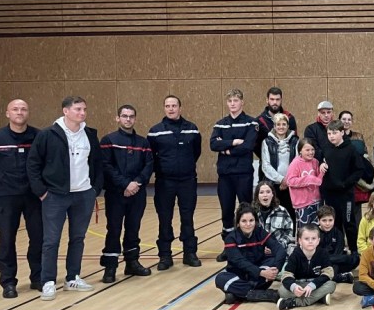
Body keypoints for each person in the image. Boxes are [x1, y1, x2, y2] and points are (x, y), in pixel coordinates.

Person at [27, 96, 104, 300]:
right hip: (55, 196)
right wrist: (42, 192)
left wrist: (94, 189)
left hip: (83, 194)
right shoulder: (47, 135)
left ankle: (72, 277)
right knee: (51, 241)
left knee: (77, 238)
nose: (82, 113)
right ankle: (48, 281)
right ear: (65, 111)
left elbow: (97, 163)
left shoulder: (90, 134)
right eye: (78, 109)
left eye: (84, 109)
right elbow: (33, 164)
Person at [0, 99, 43, 298]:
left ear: (28, 113)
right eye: (15, 109)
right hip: (7, 197)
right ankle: (8, 282)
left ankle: (38, 277)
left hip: (34, 196)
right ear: (7, 113)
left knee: (38, 238)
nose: (20, 112)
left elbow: (46, 164)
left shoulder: (39, 136)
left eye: (23, 109)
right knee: (7, 239)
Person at [98, 104, 153, 283]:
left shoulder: (143, 142)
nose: (128, 119)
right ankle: (110, 266)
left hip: (137, 193)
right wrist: (124, 184)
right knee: (113, 229)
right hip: (116, 194)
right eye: (124, 116)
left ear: (135, 119)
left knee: (133, 228)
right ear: (118, 118)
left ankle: (132, 263)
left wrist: (136, 182)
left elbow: (149, 165)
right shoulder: (108, 140)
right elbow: (106, 166)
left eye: (131, 116)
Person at [148, 95, 202, 270]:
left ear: (180, 107)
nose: (171, 109)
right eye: (167, 106)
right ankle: (165, 256)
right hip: (165, 182)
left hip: (187, 181)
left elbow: (196, 152)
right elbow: (151, 156)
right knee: (165, 219)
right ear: (164, 108)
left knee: (188, 218)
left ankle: (190, 253)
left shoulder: (192, 129)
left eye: (174, 105)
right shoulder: (155, 131)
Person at [210, 88, 259, 237]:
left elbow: (248, 146)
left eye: (236, 101)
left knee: (246, 209)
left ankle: (248, 242)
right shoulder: (220, 124)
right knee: (226, 210)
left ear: (242, 102)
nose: (232, 104)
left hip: (243, 174)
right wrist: (234, 142)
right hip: (225, 175)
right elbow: (213, 145)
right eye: (230, 101)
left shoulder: (251, 122)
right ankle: (229, 245)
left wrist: (226, 149)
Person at [215, 203, 284, 305]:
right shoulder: (231, 238)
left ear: (255, 221)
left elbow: (279, 249)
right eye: (244, 221)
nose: (248, 224)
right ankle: (258, 294)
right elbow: (239, 262)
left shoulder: (260, 232)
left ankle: (238, 294)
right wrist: (261, 272)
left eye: (251, 220)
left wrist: (276, 269)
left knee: (273, 260)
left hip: (258, 276)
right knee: (220, 278)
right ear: (238, 223)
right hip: (239, 275)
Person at [277, 224, 337, 310]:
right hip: (299, 286)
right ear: (300, 241)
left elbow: (328, 273)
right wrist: (294, 287)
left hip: (315, 286)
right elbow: (286, 276)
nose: (310, 241)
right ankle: (318, 298)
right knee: (282, 290)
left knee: (331, 285)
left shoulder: (322, 253)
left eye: (313, 238)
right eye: (306, 239)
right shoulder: (294, 255)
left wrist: (313, 285)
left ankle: (295, 302)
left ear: (318, 241)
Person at [320, 120, 360, 244]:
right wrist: (321, 165)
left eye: (335, 133)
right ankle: (338, 249)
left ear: (342, 132)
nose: (331, 136)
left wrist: (346, 183)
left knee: (349, 222)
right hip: (330, 193)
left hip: (346, 193)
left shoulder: (351, 149)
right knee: (334, 222)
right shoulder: (326, 148)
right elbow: (320, 161)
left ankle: (353, 250)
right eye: (329, 133)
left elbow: (359, 170)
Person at [340, 110, 374, 249]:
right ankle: (342, 245)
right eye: (344, 119)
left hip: (357, 183)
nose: (346, 121)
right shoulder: (336, 136)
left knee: (356, 213)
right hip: (342, 182)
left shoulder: (358, 137)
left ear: (352, 121)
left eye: (349, 119)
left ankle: (358, 244)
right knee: (342, 215)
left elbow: (365, 156)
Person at [260, 112, 298, 226]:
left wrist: (287, 180)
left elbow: (297, 163)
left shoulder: (295, 141)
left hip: (291, 184)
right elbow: (266, 165)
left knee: (291, 213)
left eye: (283, 124)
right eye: (278, 124)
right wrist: (281, 179)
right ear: (274, 127)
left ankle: (291, 238)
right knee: (273, 213)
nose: (281, 127)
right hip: (273, 184)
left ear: (287, 126)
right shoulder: (266, 142)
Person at [285, 138, 323, 226]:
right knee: (304, 230)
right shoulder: (295, 163)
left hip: (316, 201)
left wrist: (322, 171)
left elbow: (318, 180)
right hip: (302, 204)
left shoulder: (316, 162)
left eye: (312, 149)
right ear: (300, 151)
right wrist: (308, 179)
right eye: (307, 150)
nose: (311, 152)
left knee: (315, 229)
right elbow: (290, 181)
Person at [316, 205, 357, 284]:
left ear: (334, 220)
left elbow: (338, 254)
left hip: (334, 261)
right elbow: (316, 255)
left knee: (354, 259)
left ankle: (329, 276)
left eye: (330, 220)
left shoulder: (338, 233)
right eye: (324, 220)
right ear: (318, 220)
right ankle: (340, 277)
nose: (327, 223)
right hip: (319, 263)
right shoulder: (314, 233)